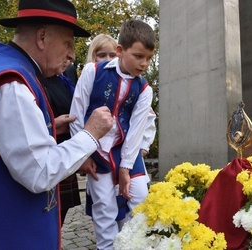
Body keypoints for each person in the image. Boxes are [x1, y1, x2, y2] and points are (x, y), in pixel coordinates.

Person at [0, 1, 113, 249]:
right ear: (42, 37)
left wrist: (49, 128)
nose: (72, 55)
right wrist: (91, 133)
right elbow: (39, 172)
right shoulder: (13, 84)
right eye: (68, 43)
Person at [70, 20, 156, 250]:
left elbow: (137, 128)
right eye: (138, 56)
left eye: (148, 58)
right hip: (96, 150)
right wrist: (82, 155)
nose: (144, 63)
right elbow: (77, 115)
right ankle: (107, 247)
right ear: (120, 51)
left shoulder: (145, 89)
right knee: (104, 207)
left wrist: (126, 167)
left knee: (139, 199)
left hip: (127, 150)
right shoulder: (92, 72)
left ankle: (132, 245)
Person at [41, 61, 82, 225]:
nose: (69, 57)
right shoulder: (36, 75)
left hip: (68, 153)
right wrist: (52, 125)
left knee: (61, 213)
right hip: (48, 155)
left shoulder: (69, 73)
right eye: (65, 45)